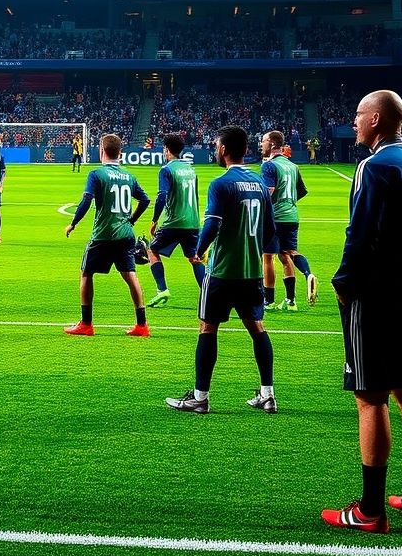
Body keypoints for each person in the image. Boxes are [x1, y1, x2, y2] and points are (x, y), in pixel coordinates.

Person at [322, 90, 402, 533]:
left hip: (375, 297)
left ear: (375, 119)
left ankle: (370, 510)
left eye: (359, 114)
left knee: (370, 398)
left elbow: (360, 233)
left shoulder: (374, 165)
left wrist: (343, 284)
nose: (354, 121)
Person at [165, 124, 278, 414]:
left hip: (222, 271)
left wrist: (198, 251)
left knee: (208, 328)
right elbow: (269, 231)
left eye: (217, 146)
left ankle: (200, 398)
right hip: (251, 272)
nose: (216, 150)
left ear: (224, 149)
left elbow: (212, 224)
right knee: (257, 328)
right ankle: (268, 395)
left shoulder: (221, 183)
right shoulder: (260, 185)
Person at [64, 133, 150, 336]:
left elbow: (86, 200)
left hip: (103, 234)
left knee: (86, 273)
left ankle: (86, 324)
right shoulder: (129, 176)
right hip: (126, 234)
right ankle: (142, 325)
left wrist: (73, 223)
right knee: (130, 275)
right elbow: (145, 200)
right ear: (120, 153)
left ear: (101, 150)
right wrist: (131, 220)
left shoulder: (97, 174)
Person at [259, 131, 318, 310]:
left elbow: (268, 191)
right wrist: (289, 202)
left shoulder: (269, 166)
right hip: (292, 216)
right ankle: (295, 294)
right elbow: (302, 191)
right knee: (288, 254)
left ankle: (269, 301)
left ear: (272, 143)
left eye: (263, 141)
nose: (261, 144)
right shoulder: (293, 166)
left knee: (268, 257)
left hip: (274, 218)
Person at [147, 133, 205, 307]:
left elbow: (162, 196)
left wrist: (154, 220)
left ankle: (162, 290)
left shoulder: (166, 170)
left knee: (152, 250)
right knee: (194, 258)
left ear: (166, 149)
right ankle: (208, 295)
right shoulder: (191, 170)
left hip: (174, 222)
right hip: (192, 222)